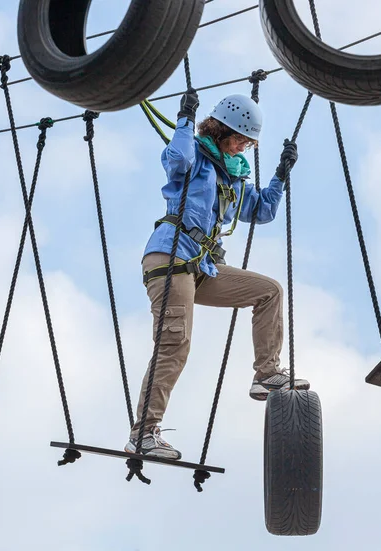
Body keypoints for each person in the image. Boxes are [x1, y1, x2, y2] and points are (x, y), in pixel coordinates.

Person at [124, 90, 310, 460]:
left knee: (269, 291)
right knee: (175, 344)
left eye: (248, 142)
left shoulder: (234, 177)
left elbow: (262, 211)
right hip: (172, 257)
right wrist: (184, 118)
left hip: (202, 267)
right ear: (221, 130)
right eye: (240, 138)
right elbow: (176, 158)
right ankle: (143, 433)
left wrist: (280, 176)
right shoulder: (195, 157)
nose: (243, 146)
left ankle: (266, 375)